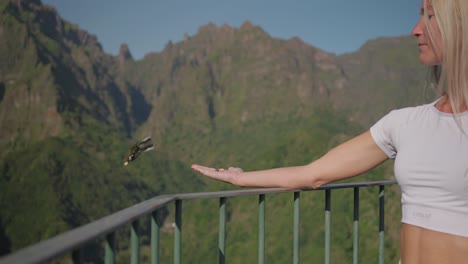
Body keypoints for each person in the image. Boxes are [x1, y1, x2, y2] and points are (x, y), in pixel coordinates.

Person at [192, 0, 468, 263]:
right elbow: (312, 174)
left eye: (430, 15)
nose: (416, 28)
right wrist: (240, 179)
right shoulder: (404, 123)